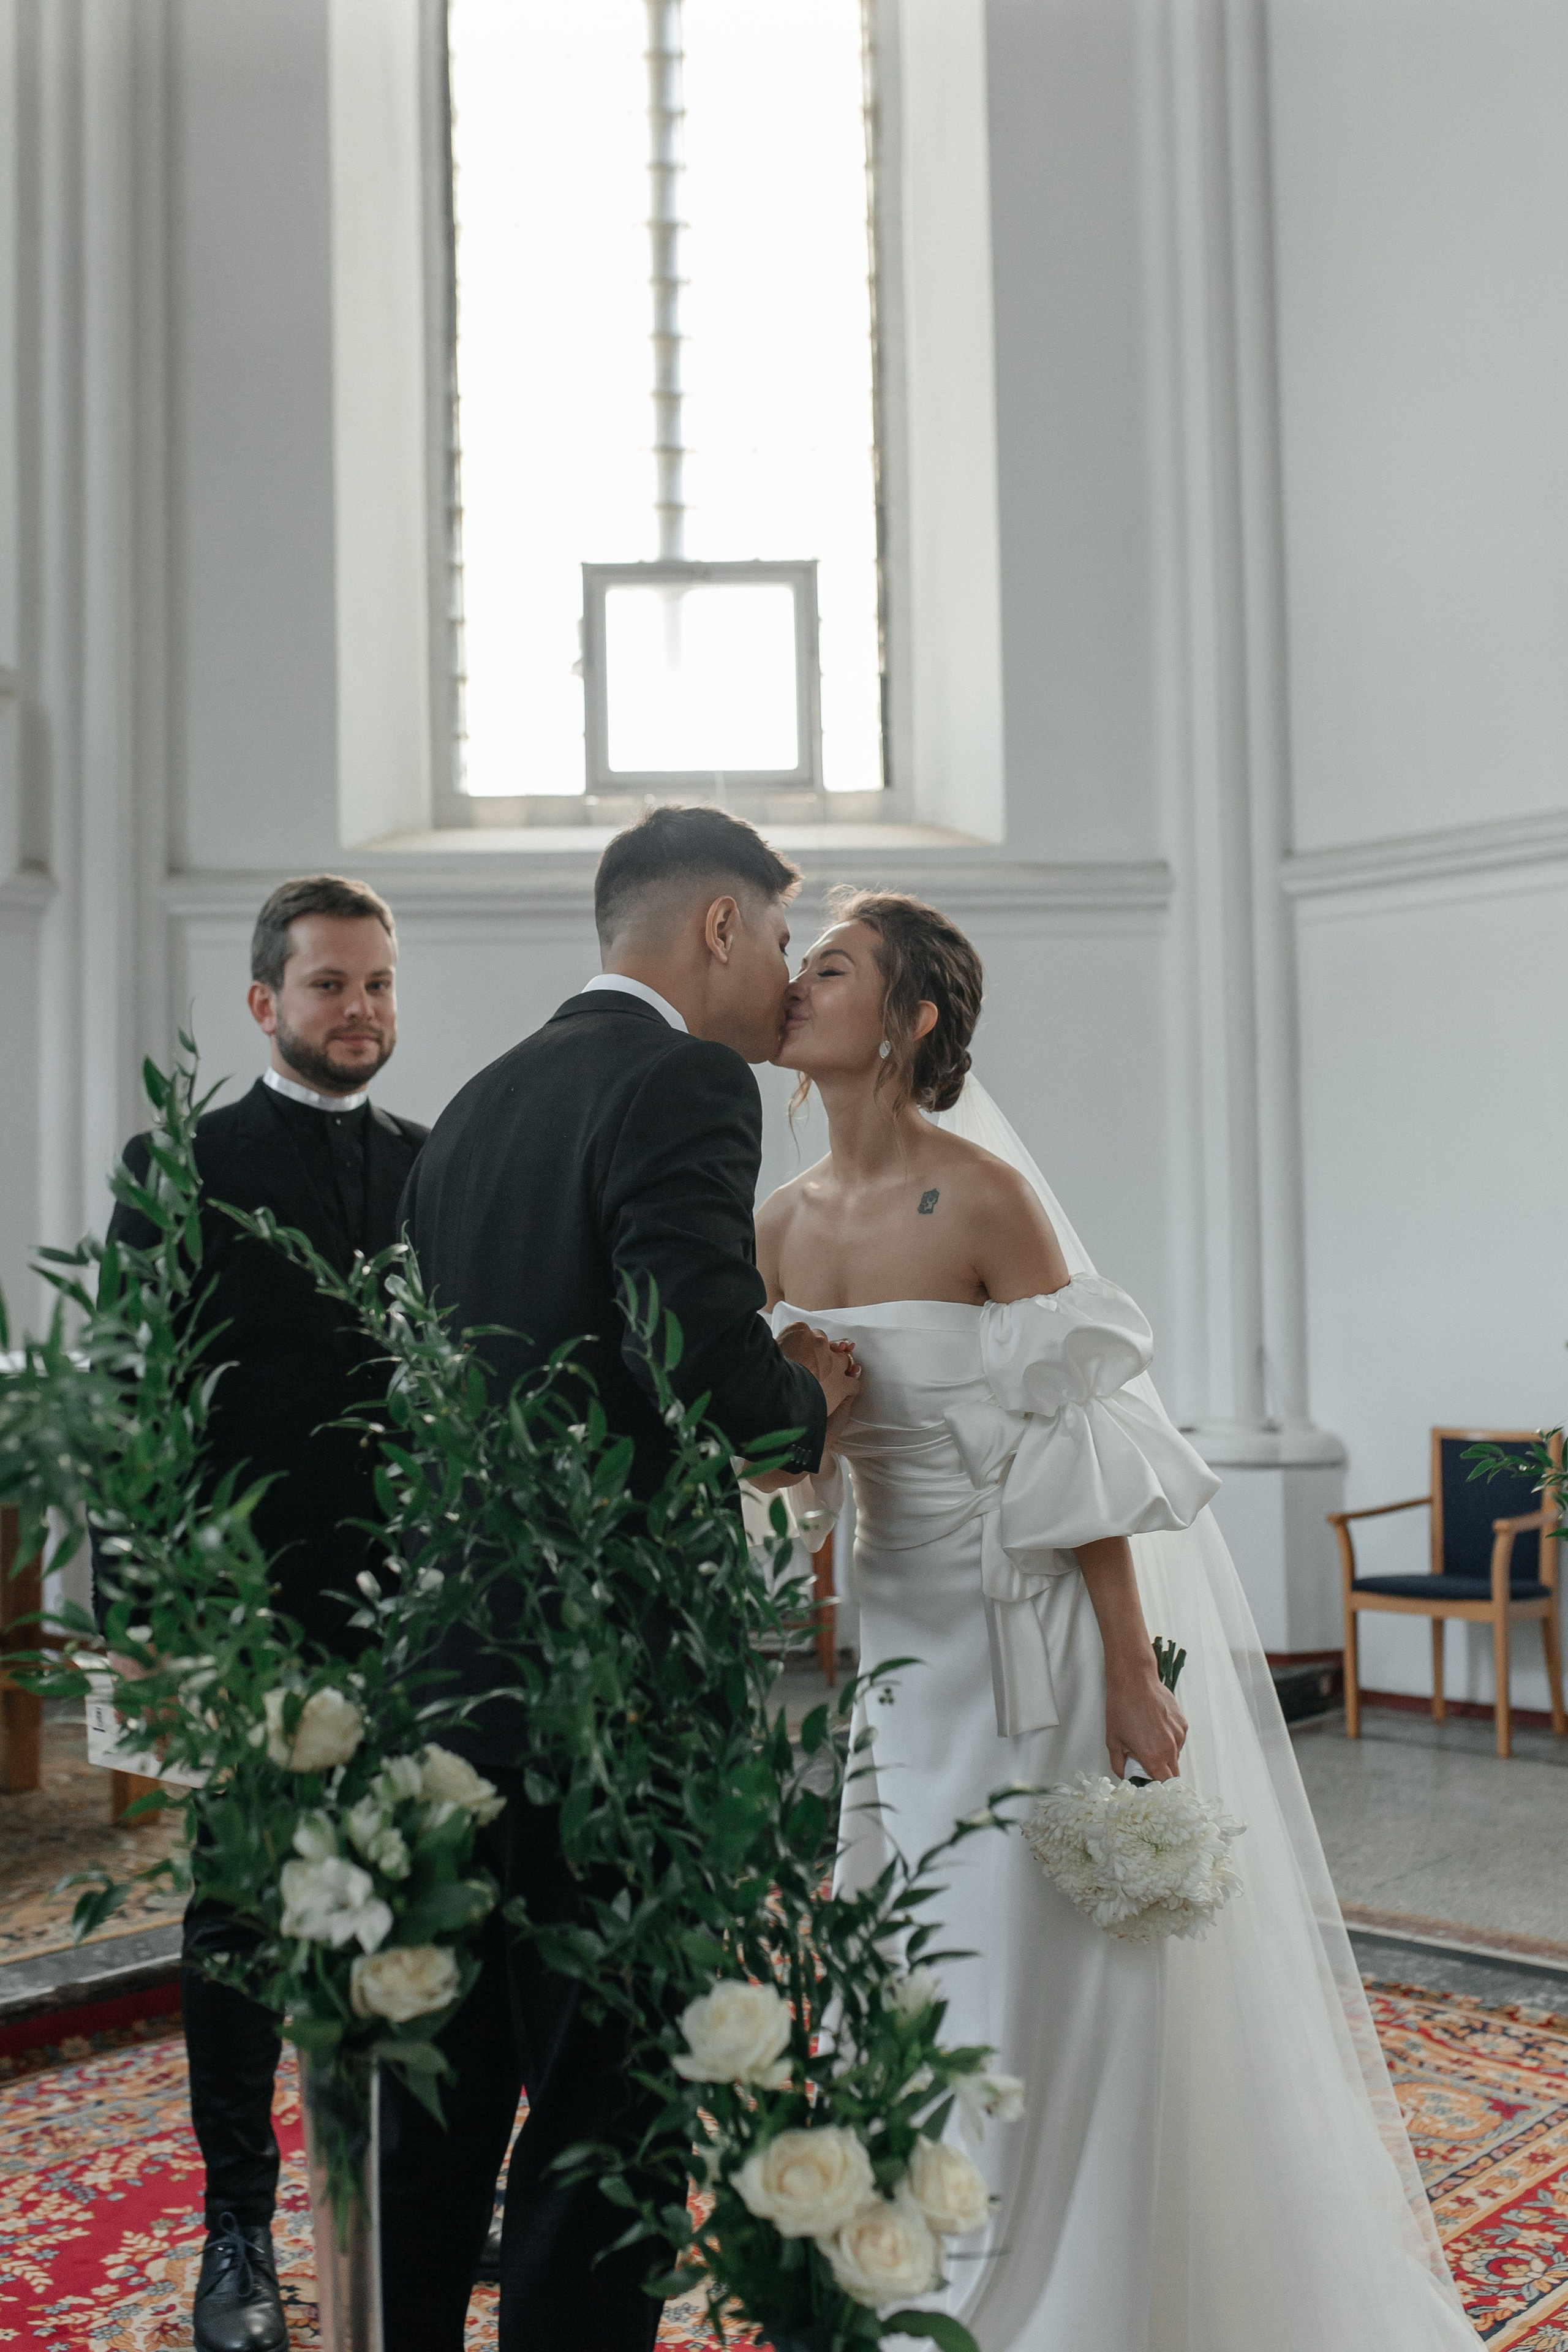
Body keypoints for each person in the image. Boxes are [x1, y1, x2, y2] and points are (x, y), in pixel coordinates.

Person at [758, 889, 1482, 2352]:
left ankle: (1073, 2289)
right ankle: (935, 2265)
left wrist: (1128, 1670)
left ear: (907, 1021)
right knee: (917, 1950)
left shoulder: (981, 1198)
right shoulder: (771, 1218)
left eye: (826, 970)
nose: (793, 988)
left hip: (1027, 1642)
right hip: (898, 1654)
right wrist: (809, 1431)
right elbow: (792, 1471)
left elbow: (1076, 1446)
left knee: (1044, 1955)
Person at [382, 805, 861, 2352]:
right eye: (780, 938)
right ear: (718, 926)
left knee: (440, 2083)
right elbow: (704, 1362)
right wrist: (807, 1397)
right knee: (610, 2096)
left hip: (454, 1670)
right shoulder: (685, 1078)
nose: (784, 977)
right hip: (614, 1687)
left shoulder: (468, 1103)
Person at [96, 875, 428, 2352]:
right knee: (240, 1925)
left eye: (375, 986)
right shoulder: (180, 1165)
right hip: (239, 1621)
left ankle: (410, 2198)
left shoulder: (440, 1163)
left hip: (410, 1615)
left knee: (415, 1908)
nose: (357, 1011)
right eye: (327, 987)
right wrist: (150, 1623)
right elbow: (128, 1399)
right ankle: (235, 2232)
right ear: (262, 1004)